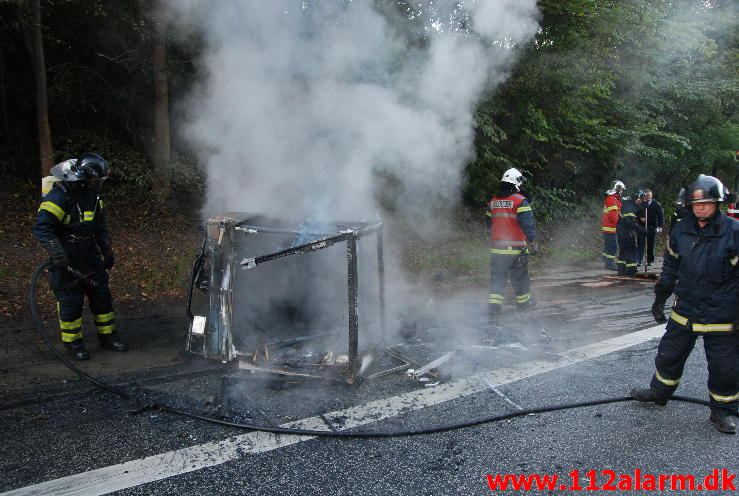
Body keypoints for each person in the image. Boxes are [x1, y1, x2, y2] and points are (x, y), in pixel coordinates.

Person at [631, 174, 738, 434]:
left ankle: (722, 410)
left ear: (718, 203)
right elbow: (671, 267)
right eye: (696, 203)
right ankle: (660, 392)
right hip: (687, 306)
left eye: (707, 203)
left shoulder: (733, 232)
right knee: (669, 353)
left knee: (725, 366)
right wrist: (660, 298)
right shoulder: (681, 230)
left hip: (722, 311)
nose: (701, 207)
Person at [33, 153, 128, 360]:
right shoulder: (60, 196)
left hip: (89, 254)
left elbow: (100, 225)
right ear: (86, 176)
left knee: (101, 296)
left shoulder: (92, 196)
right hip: (67, 257)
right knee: (71, 302)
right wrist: (57, 254)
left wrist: (106, 249)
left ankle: (108, 336)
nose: (98, 182)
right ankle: (74, 344)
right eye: (96, 178)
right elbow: (43, 228)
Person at [486, 168, 538, 317]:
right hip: (516, 250)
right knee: (520, 278)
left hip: (497, 249)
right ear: (516, 182)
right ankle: (524, 304)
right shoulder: (520, 201)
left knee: (497, 278)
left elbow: (489, 224)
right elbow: (527, 224)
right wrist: (533, 241)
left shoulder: (493, 202)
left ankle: (494, 306)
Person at [615, 189, 646, 276]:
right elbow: (631, 223)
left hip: (622, 232)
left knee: (624, 251)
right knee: (631, 251)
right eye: (641, 200)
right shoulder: (629, 207)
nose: (641, 202)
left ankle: (621, 270)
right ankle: (631, 270)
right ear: (638, 198)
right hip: (626, 233)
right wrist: (643, 231)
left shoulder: (628, 204)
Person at [636, 189, 664, 266]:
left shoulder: (656, 204)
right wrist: (640, 219)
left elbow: (661, 216)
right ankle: (638, 260)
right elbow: (636, 214)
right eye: (646, 195)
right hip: (641, 227)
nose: (647, 197)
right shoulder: (641, 204)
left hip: (652, 227)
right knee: (640, 244)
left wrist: (660, 227)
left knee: (651, 245)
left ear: (652, 195)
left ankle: (650, 260)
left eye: (649, 195)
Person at [601, 180, 625, 271]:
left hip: (609, 227)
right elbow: (613, 216)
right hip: (611, 227)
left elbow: (617, 213)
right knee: (613, 245)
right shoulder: (612, 199)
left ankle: (606, 260)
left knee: (608, 245)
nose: (622, 191)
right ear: (617, 189)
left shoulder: (614, 198)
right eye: (621, 189)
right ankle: (609, 264)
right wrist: (620, 224)